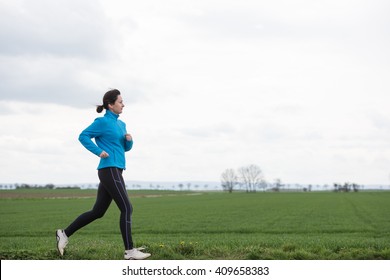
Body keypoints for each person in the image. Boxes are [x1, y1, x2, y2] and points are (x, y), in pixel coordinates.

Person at [56, 89, 151, 260]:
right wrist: (98, 151)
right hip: (109, 169)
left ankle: (64, 233)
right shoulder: (102, 122)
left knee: (98, 211)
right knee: (127, 208)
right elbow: (83, 136)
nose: (123, 104)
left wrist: (129, 141)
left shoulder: (121, 124)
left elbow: (125, 148)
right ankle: (130, 252)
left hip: (117, 169)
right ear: (110, 104)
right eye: (120, 101)